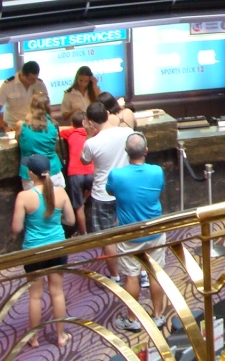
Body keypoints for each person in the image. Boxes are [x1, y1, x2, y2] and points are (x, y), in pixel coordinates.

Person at [11, 154, 75, 349]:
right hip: (57, 247)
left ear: (30, 173)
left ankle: (34, 337)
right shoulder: (61, 193)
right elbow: (71, 221)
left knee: (35, 296)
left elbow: (16, 228)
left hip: (33, 251)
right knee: (57, 292)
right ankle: (61, 335)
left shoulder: (24, 196)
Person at [107, 133, 168, 332]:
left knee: (131, 277)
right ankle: (158, 316)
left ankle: (132, 319)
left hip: (130, 235)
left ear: (126, 152)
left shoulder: (117, 175)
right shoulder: (157, 171)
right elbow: (160, 189)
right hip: (156, 232)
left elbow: (110, 191)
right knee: (155, 274)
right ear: (146, 151)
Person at [81, 101, 135, 283]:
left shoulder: (92, 143)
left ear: (90, 122)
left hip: (102, 195)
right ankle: (138, 273)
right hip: (126, 190)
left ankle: (115, 276)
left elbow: (84, 161)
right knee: (130, 232)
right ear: (106, 113)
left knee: (108, 238)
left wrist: (89, 134)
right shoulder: (128, 132)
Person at [16, 92, 65, 190]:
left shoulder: (21, 125)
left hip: (31, 173)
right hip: (53, 170)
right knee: (57, 202)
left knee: (34, 204)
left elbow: (18, 140)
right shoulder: (53, 125)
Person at [60, 111, 94, 235]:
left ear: (72, 124)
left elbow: (57, 129)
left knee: (79, 206)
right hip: (91, 171)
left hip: (75, 172)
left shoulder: (70, 132)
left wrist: (71, 127)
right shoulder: (93, 132)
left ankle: (84, 233)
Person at [0, 61, 49, 132]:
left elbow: (46, 107)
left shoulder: (39, 84)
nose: (34, 82)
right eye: (32, 79)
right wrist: (5, 127)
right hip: (14, 127)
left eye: (36, 78)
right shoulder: (8, 85)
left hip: (35, 126)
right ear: (23, 75)